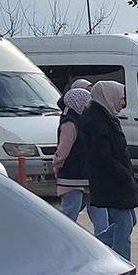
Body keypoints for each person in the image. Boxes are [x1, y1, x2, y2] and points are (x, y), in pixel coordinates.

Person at [79, 81, 138, 262]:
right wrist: (122, 173)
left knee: (129, 222)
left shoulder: (106, 116)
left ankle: (89, 246)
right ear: (109, 97)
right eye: (121, 99)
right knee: (123, 226)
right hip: (112, 182)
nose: (123, 104)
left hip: (118, 181)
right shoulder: (97, 121)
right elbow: (102, 157)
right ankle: (124, 268)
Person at [53, 83, 107, 233]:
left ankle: (63, 239)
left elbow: (63, 149)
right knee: (98, 213)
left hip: (72, 175)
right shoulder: (91, 120)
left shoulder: (69, 122)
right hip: (90, 174)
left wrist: (56, 165)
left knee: (69, 213)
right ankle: (105, 241)